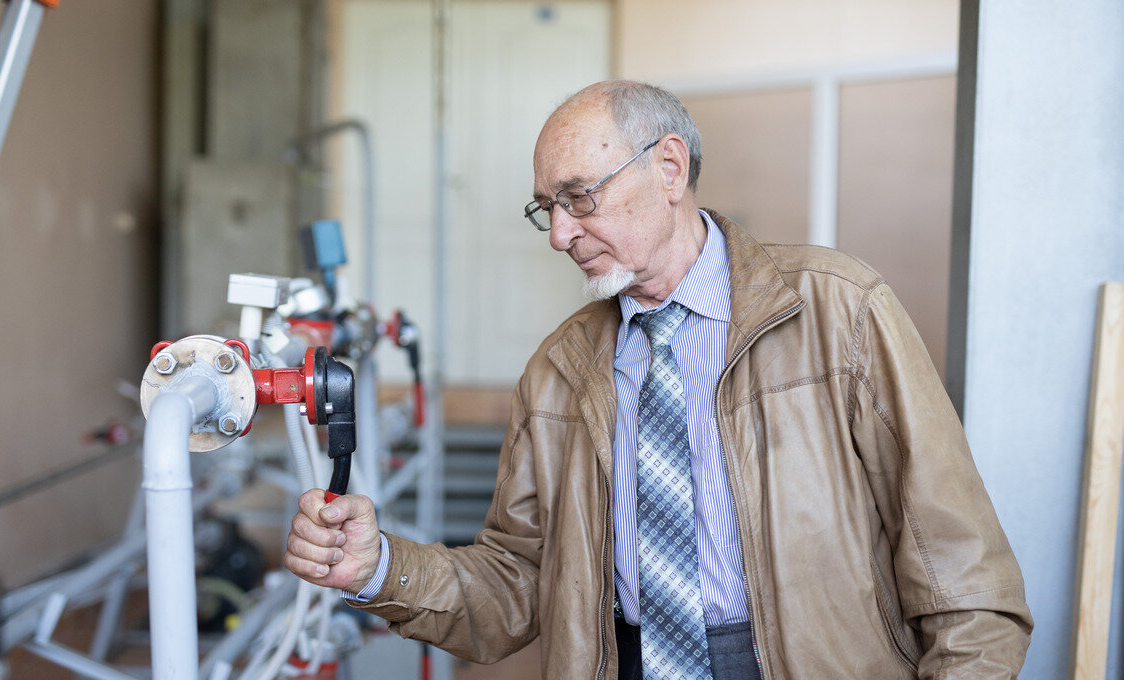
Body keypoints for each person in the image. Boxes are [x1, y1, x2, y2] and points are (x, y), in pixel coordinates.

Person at [284, 80, 1032, 679]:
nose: (559, 233)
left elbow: (963, 577)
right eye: (545, 208)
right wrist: (379, 565)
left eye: (579, 196)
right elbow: (515, 584)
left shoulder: (839, 309)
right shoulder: (557, 373)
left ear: (668, 169)